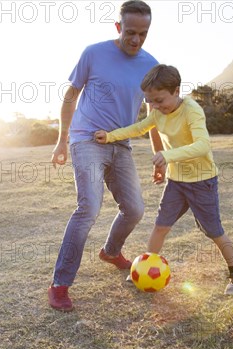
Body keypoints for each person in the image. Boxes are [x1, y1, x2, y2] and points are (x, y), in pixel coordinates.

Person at [95, 64, 233, 295]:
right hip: (176, 182)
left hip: (202, 181)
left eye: (159, 100)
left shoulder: (192, 110)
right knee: (160, 227)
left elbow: (202, 145)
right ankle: (145, 270)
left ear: (176, 91)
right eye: (151, 102)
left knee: (213, 231)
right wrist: (109, 136)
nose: (155, 107)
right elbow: (139, 128)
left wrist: (168, 156)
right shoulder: (158, 112)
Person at [48, 0, 164, 312]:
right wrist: (61, 141)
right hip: (86, 139)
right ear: (118, 27)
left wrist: (159, 154)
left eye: (143, 33)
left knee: (135, 209)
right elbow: (70, 96)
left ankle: (111, 252)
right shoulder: (93, 53)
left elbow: (153, 113)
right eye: (130, 32)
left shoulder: (151, 65)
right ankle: (60, 284)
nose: (136, 39)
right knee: (89, 208)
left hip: (121, 144)